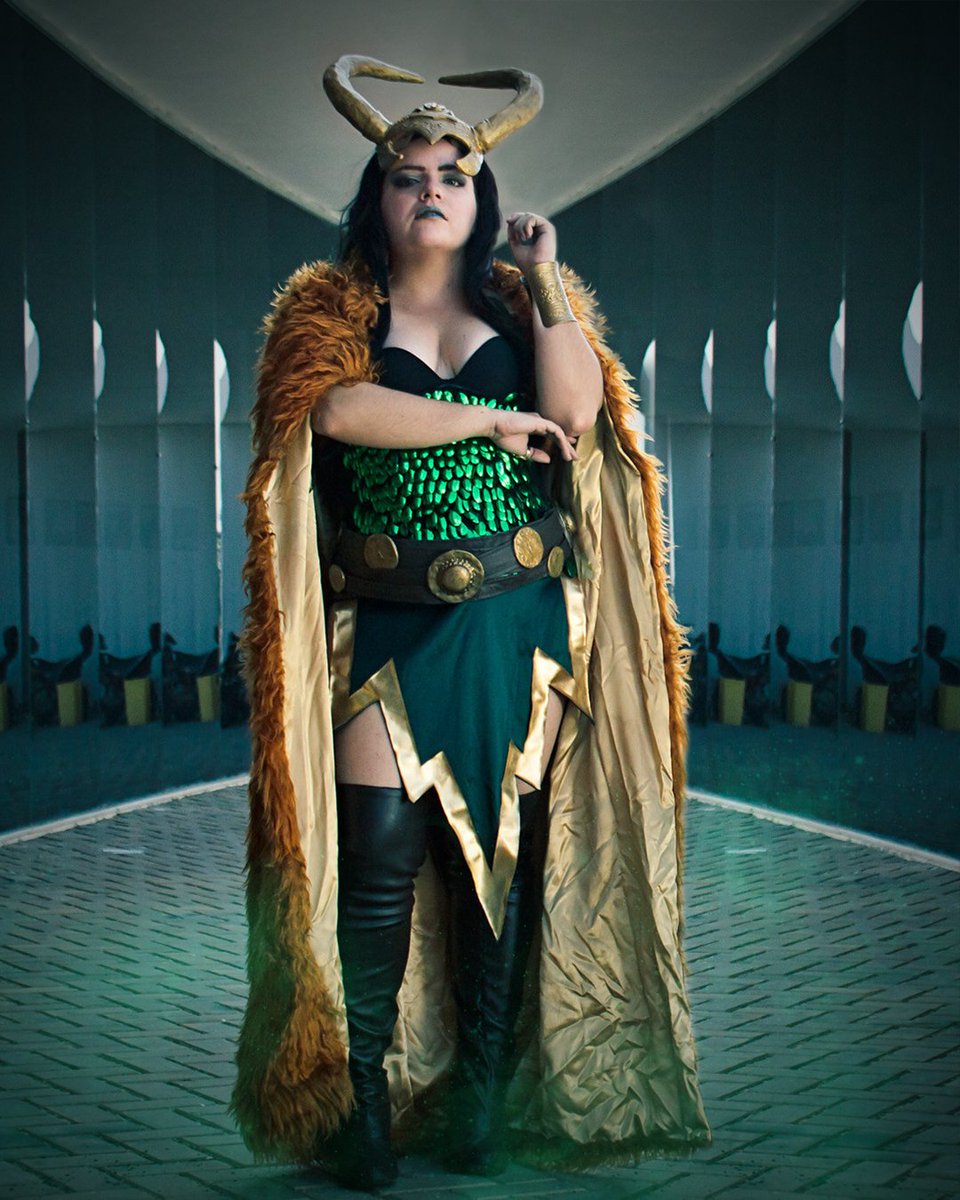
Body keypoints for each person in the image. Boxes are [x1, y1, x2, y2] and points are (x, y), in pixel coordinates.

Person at [231, 55, 710, 1192]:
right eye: (410, 174)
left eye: (455, 173)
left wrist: (545, 279)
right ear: (379, 196)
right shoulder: (333, 311)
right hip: (387, 631)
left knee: (498, 871)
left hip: (516, 626)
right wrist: (482, 423)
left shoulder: (515, 302)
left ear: (481, 195)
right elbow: (335, 410)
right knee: (378, 865)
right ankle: (360, 1112)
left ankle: (483, 1105)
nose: (433, 188)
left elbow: (573, 414)